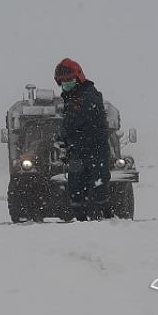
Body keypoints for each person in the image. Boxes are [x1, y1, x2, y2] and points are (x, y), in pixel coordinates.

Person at [54, 58, 112, 221]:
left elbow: (72, 121)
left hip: (95, 150)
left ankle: (107, 222)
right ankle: (80, 223)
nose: (66, 84)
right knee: (76, 190)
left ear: (78, 78)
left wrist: (62, 137)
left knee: (98, 189)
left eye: (69, 80)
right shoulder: (73, 97)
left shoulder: (86, 97)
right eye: (62, 81)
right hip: (78, 151)